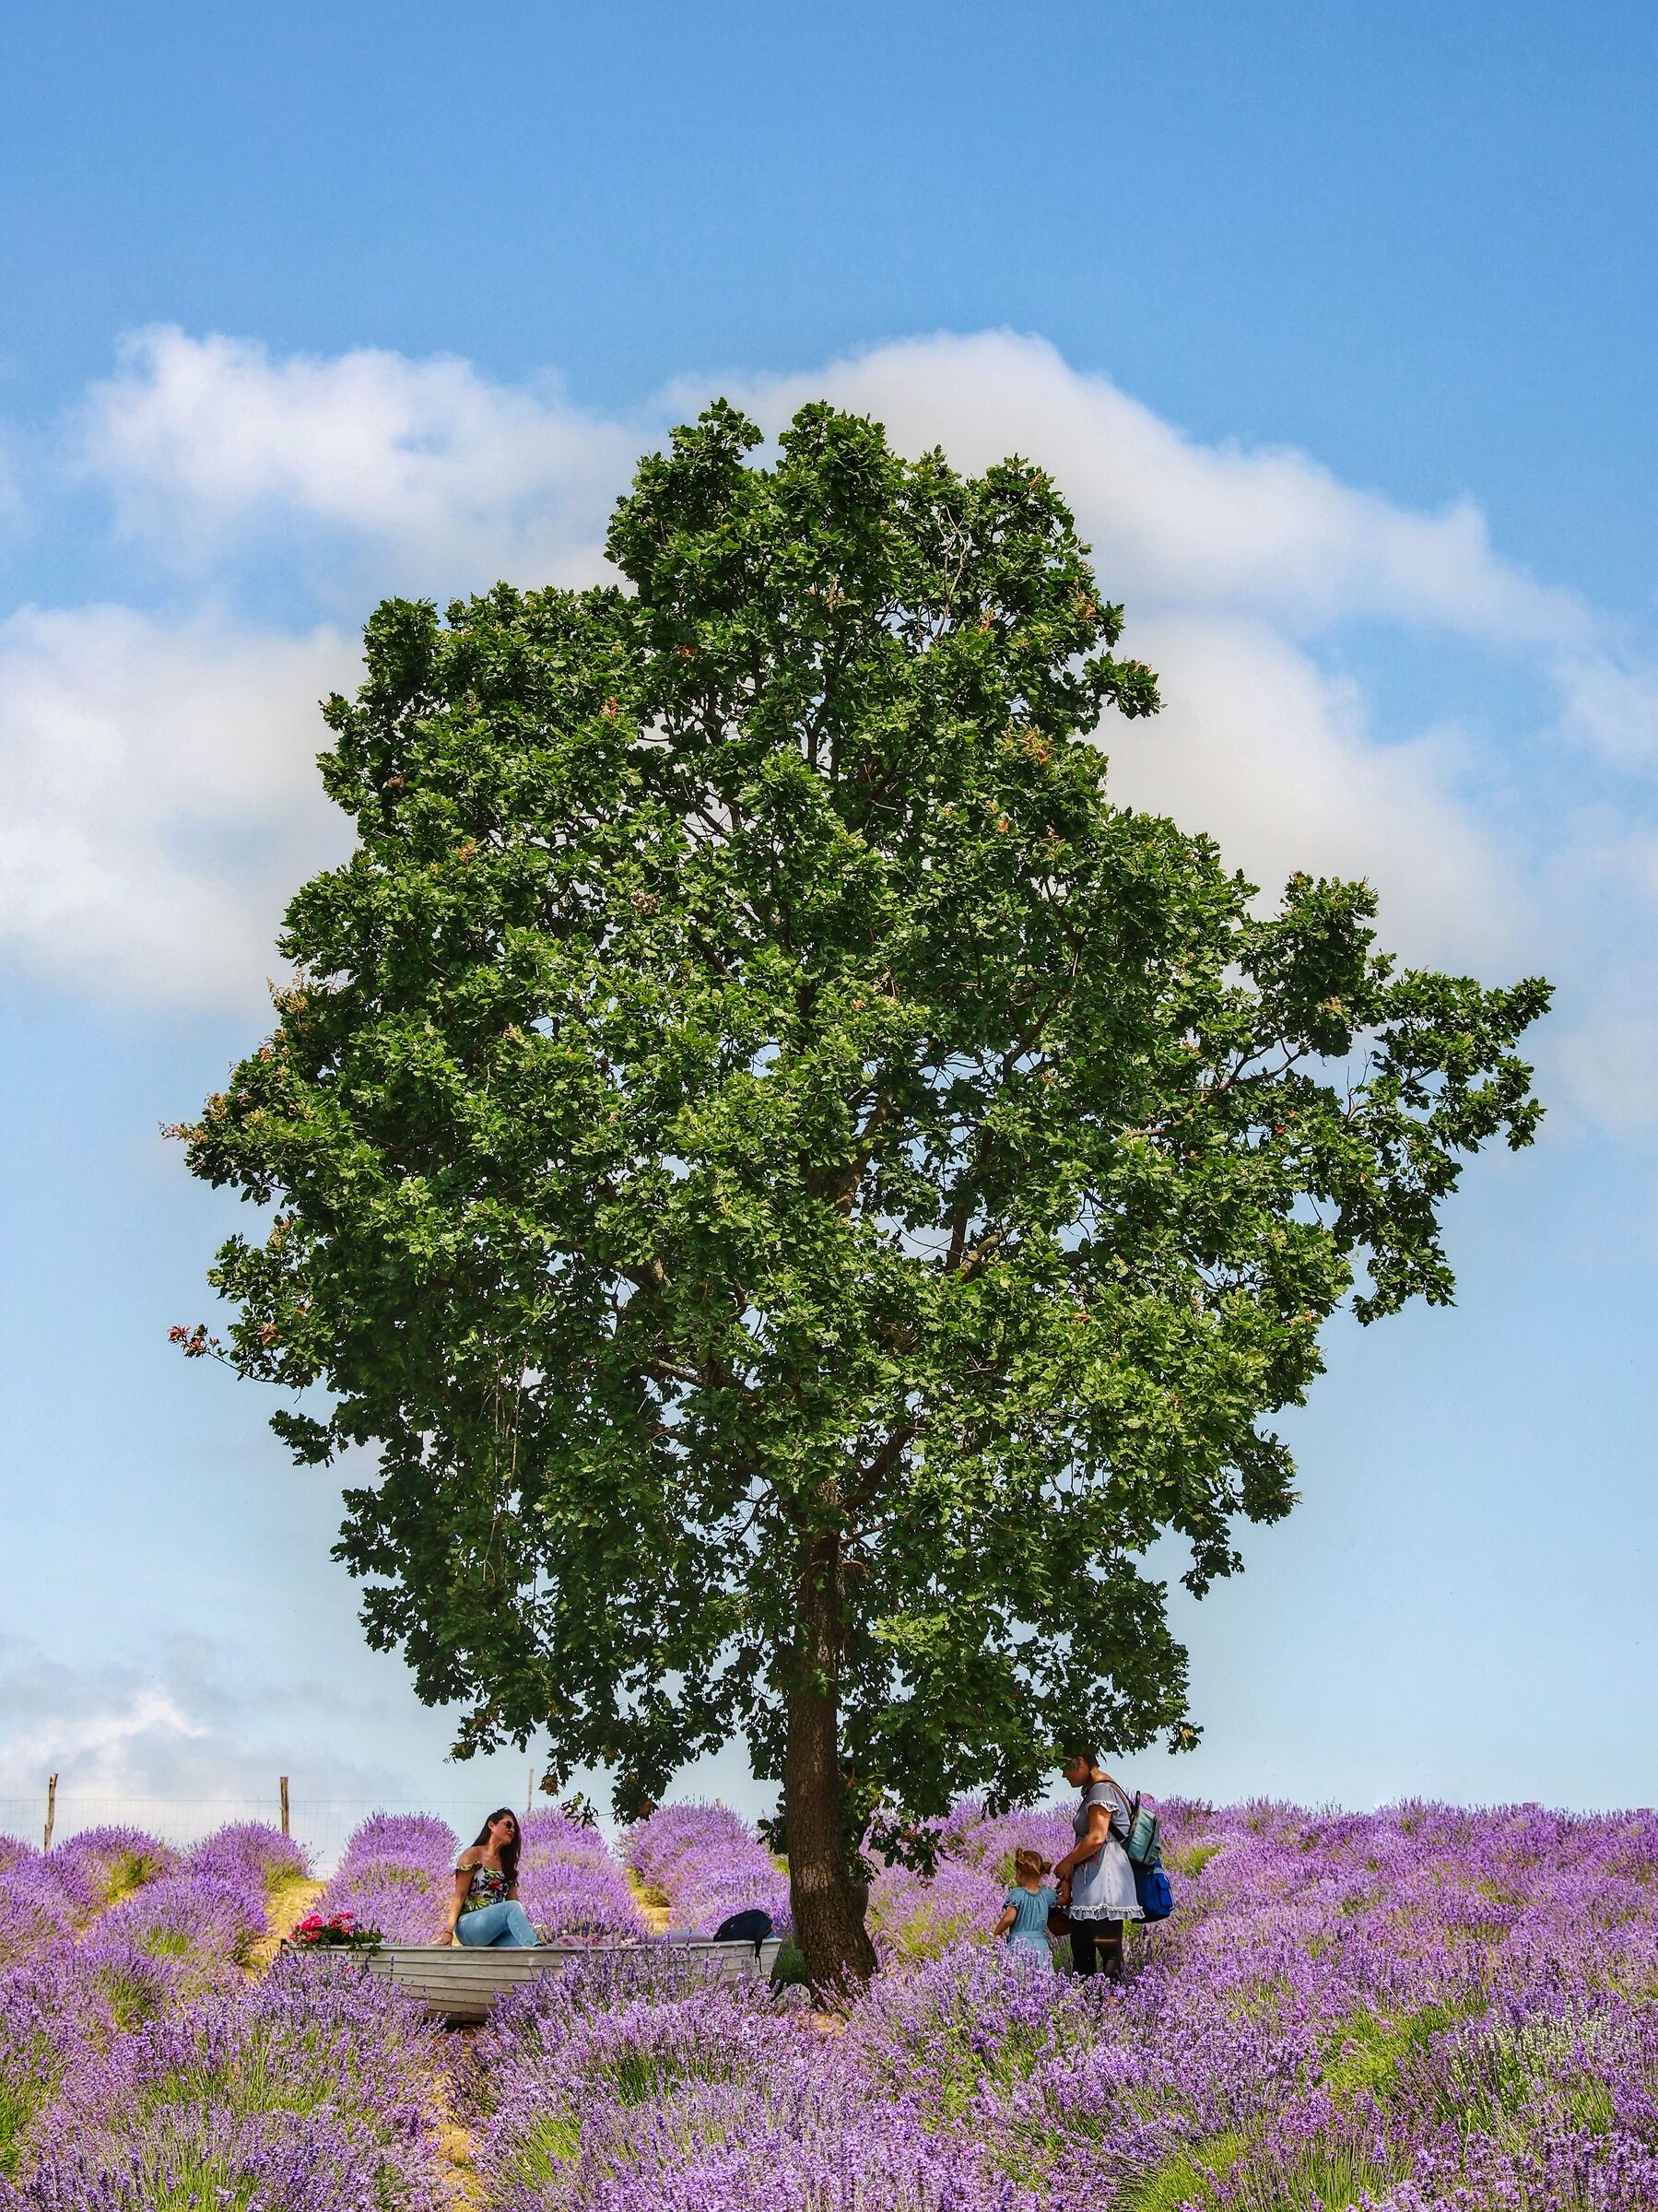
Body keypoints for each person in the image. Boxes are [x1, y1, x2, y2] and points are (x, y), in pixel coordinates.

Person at [1052, 1749, 1143, 1978]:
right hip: (1089, 1884)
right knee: (1082, 1952)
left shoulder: (1102, 1790)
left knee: (1109, 1953)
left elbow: (1096, 1838)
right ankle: (1086, 2000)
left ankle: (1114, 2000)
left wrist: (1067, 1863)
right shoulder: (1093, 1791)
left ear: (1080, 1762)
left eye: (1065, 1768)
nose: (1064, 1775)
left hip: (1104, 1884)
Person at [442, 1808, 538, 1947]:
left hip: (494, 1933)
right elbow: (459, 1896)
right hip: (469, 1927)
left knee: (521, 1945)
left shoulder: (507, 1865)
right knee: (513, 1908)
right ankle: (537, 1951)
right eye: (508, 1825)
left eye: (515, 1829)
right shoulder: (473, 1854)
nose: (512, 1830)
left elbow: (514, 1901)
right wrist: (448, 1932)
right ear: (492, 1826)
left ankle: (538, 1953)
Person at [993, 1847, 1060, 1965]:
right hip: (1041, 1945)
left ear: (1019, 1873)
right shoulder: (1047, 1893)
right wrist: (1066, 1881)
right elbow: (1065, 1899)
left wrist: (997, 1932)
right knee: (1042, 1973)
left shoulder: (1017, 1894)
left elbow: (1009, 1918)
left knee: (1019, 1973)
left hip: (1020, 1945)